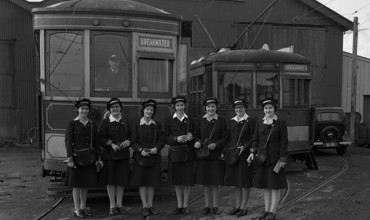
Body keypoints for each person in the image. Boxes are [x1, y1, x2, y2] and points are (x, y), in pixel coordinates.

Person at [247, 98, 288, 220]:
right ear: (263, 110)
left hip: (275, 159)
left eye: (270, 108)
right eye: (266, 108)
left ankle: (273, 211)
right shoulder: (260, 122)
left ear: (274, 108)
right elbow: (255, 139)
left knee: (274, 185)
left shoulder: (281, 123)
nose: (268, 110)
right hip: (262, 159)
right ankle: (266, 210)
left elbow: (284, 142)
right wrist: (252, 152)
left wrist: (283, 158)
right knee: (266, 185)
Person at [64, 98, 102, 218]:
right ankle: (76, 209)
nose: (84, 111)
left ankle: (83, 207)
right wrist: (69, 158)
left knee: (85, 184)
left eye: (86, 109)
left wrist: (98, 158)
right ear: (77, 110)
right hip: (76, 158)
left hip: (89, 158)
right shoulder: (72, 124)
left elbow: (96, 143)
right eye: (82, 109)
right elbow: (68, 142)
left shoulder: (92, 125)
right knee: (76, 184)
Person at [130, 99, 165, 218]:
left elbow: (161, 140)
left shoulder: (157, 125)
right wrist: (140, 150)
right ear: (143, 111)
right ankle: (144, 206)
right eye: (147, 109)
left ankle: (150, 206)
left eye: (151, 110)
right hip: (141, 158)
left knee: (151, 183)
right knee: (143, 183)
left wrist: (157, 148)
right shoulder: (136, 125)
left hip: (154, 158)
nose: (149, 111)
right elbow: (133, 142)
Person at [194, 97, 228, 215]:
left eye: (213, 106)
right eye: (208, 107)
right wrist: (197, 142)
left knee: (215, 182)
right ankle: (207, 206)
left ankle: (215, 206)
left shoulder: (222, 120)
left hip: (216, 155)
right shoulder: (199, 120)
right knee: (206, 182)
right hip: (204, 155)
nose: (210, 109)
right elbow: (195, 135)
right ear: (205, 108)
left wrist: (216, 145)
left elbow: (225, 138)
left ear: (216, 107)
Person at [98, 98, 131, 215]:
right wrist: (111, 144)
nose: (115, 109)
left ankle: (119, 204)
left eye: (117, 107)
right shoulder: (106, 122)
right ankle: (112, 205)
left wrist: (128, 142)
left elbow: (131, 136)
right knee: (111, 180)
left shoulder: (125, 121)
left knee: (121, 180)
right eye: (113, 108)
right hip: (110, 156)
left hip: (123, 156)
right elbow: (101, 138)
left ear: (120, 108)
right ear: (109, 110)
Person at [164, 96, 195, 215]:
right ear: (174, 107)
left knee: (186, 180)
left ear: (185, 106)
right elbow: (165, 137)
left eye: (182, 105)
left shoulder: (190, 119)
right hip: (175, 153)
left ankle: (186, 205)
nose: (180, 107)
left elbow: (195, 135)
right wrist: (176, 138)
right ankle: (179, 205)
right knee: (177, 180)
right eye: (177, 106)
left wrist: (191, 137)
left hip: (187, 153)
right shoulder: (169, 120)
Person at [224, 99, 256, 217]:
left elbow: (254, 138)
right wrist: (226, 151)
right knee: (236, 182)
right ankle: (237, 206)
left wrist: (245, 147)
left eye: (241, 107)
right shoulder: (231, 121)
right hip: (233, 155)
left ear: (245, 108)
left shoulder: (251, 121)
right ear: (234, 109)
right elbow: (228, 137)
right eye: (237, 108)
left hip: (245, 156)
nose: (239, 110)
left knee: (244, 182)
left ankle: (243, 207)